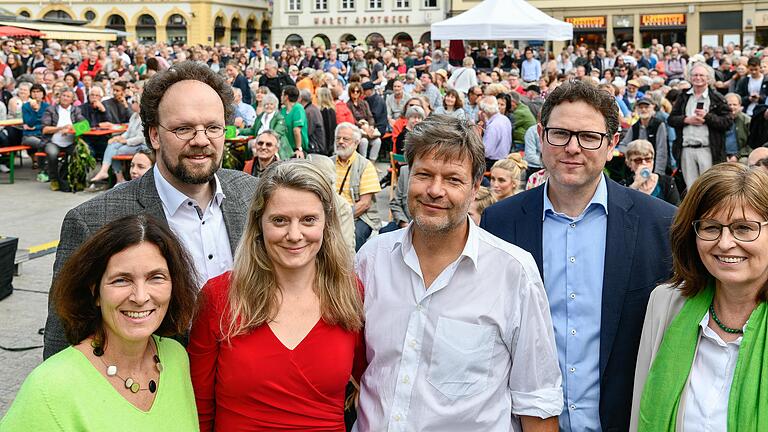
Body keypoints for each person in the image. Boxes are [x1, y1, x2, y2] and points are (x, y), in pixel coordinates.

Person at [481, 80, 677, 431]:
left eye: (588, 137)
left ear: (612, 143)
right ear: (541, 135)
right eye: (560, 134)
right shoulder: (500, 222)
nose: (572, 148)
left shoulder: (659, 224)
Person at [355, 114, 563, 431]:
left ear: (475, 187)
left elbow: (537, 400)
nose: (435, 190)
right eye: (424, 174)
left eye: (453, 180)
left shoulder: (513, 272)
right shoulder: (371, 259)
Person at [43, 61, 259, 360]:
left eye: (213, 127)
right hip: (149, 396)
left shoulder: (253, 195)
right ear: (154, 135)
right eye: (183, 128)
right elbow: (62, 342)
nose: (201, 140)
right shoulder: (94, 220)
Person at [188, 160, 365, 431]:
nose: (294, 235)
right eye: (280, 220)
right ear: (259, 225)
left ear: (326, 224)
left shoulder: (349, 293)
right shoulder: (219, 297)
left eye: (308, 220)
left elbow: (375, 382)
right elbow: (199, 410)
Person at [1, 215, 199, 430]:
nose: (140, 297)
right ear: (95, 292)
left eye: (156, 277)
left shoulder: (176, 357)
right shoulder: (49, 387)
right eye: (121, 280)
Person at [630, 163, 768, 432]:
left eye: (743, 228)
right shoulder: (665, 304)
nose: (725, 242)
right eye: (711, 227)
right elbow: (639, 412)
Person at [669, 63, 732, 188]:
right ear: (690, 77)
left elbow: (727, 122)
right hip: (686, 149)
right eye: (695, 75)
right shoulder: (683, 96)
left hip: (708, 149)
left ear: (708, 78)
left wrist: (707, 117)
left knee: (709, 188)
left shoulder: (717, 97)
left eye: (701, 75)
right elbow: (671, 119)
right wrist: (686, 120)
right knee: (691, 189)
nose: (698, 78)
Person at [332, 123, 381, 251]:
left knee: (356, 235)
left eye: (345, 139)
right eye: (338, 138)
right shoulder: (329, 162)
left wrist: (341, 217)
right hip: (331, 213)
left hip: (359, 216)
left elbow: (365, 204)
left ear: (356, 142)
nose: (340, 142)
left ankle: (353, 269)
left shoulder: (365, 165)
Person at [90, 94, 145, 184]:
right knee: (112, 144)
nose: (131, 104)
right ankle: (115, 177)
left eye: (133, 102)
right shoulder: (134, 116)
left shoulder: (144, 118)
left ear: (139, 104)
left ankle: (113, 176)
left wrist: (125, 141)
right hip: (131, 143)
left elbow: (141, 138)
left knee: (113, 152)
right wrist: (118, 138)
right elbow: (128, 132)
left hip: (140, 146)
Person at [41, 87, 86, 192]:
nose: (65, 98)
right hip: (53, 141)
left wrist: (71, 128)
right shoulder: (51, 110)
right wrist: (61, 128)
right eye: (64, 96)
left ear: (72, 100)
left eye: (68, 96)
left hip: (71, 142)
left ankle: (78, 180)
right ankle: (54, 180)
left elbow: (85, 126)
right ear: (59, 97)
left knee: (80, 153)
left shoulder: (76, 110)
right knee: (52, 153)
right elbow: (45, 129)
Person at [622, 139, 680, 205]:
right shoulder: (625, 185)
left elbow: (676, 210)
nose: (644, 163)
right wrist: (636, 184)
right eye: (638, 160)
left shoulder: (667, 182)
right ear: (629, 163)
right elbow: (622, 207)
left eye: (648, 159)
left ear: (653, 161)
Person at [619, 97, 669, 174]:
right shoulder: (635, 127)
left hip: (653, 167)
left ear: (653, 107)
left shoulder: (659, 125)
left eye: (646, 107)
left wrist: (658, 172)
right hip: (636, 170)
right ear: (636, 109)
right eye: (640, 107)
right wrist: (633, 153)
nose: (643, 110)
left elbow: (661, 150)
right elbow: (622, 145)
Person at [346, 82, 381, 163]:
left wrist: (371, 126)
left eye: (357, 91)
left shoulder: (364, 103)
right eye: (353, 91)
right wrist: (361, 126)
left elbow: (370, 116)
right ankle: (363, 162)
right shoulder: (348, 104)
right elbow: (352, 119)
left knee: (377, 141)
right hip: (357, 128)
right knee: (364, 141)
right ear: (350, 92)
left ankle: (372, 163)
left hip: (367, 126)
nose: (355, 93)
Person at [479, 96, 512, 171]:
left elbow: (486, 151)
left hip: (492, 163)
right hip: (504, 159)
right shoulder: (505, 119)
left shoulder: (493, 126)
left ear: (484, 111)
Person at [280, 85, 308, 158]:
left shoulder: (298, 108)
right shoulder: (283, 111)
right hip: (285, 149)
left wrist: (298, 148)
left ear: (286, 97)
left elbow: (296, 130)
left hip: (296, 149)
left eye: (282, 95)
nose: (281, 97)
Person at [724, 92, 751, 163]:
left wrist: (737, 156)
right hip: (722, 154)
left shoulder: (747, 120)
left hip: (741, 155)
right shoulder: (719, 120)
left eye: (734, 104)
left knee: (744, 161)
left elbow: (751, 143)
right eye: (729, 104)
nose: (732, 107)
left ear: (740, 106)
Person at [317, 87, 337, 156]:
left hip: (326, 147)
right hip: (329, 145)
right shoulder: (332, 110)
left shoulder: (325, 111)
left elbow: (328, 130)